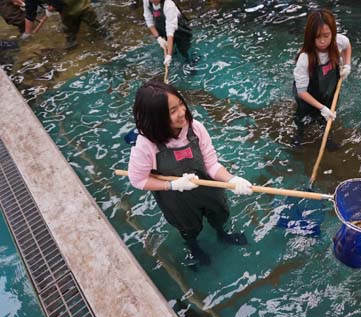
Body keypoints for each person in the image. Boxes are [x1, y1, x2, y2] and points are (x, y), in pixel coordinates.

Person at [128, 81, 253, 265]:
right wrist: (172, 185)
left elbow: (211, 164)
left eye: (180, 104)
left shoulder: (195, 129)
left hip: (207, 188)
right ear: (156, 118)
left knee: (219, 214)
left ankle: (222, 233)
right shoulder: (146, 145)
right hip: (177, 200)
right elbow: (137, 179)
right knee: (189, 228)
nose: (182, 112)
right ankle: (193, 247)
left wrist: (232, 180)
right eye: (172, 111)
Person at [292, 8, 352, 148]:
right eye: (318, 37)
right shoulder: (305, 58)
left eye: (326, 35)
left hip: (329, 90)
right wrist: (321, 108)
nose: (323, 41)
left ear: (333, 32)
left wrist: (347, 65)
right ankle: (299, 133)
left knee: (328, 117)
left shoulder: (338, 42)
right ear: (310, 36)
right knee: (303, 116)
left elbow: (348, 46)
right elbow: (302, 92)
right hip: (307, 93)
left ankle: (327, 138)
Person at [23, 0, 107, 49]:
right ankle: (72, 45)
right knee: (69, 31)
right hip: (66, 10)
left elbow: (57, 3)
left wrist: (53, 7)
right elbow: (30, 13)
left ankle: (105, 38)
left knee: (93, 23)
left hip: (77, 4)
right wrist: (27, 33)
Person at [143, 0, 193, 67]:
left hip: (180, 30)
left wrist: (169, 56)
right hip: (163, 29)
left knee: (185, 52)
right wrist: (158, 38)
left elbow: (170, 31)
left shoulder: (168, 4)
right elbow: (149, 20)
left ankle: (191, 65)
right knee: (173, 52)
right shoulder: (146, 1)